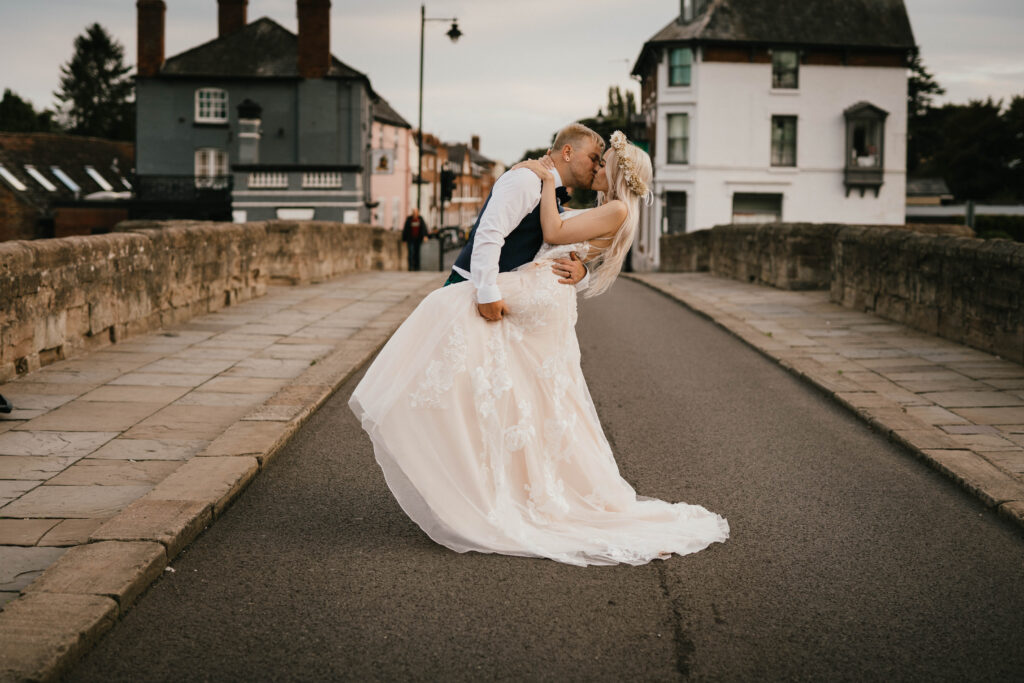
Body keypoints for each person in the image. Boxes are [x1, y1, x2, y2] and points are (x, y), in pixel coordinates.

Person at [350, 128, 728, 567]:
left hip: (533, 300)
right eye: (594, 157)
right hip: (535, 300)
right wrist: (575, 271)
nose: (597, 163)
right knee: (522, 399)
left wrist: (550, 212)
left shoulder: (588, 199)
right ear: (568, 152)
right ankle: (493, 480)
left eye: (603, 160)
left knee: (505, 395)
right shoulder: (545, 188)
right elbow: (542, 242)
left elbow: (553, 232)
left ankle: (487, 484)